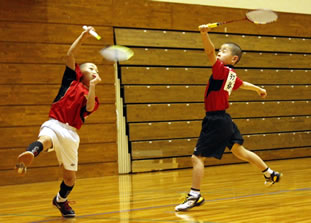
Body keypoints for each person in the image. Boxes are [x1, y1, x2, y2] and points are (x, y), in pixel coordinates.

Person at [175, 24, 282, 212]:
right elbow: (242, 84)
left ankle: (194, 195)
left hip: (216, 120)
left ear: (234, 58)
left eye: (222, 51)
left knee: (197, 158)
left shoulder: (222, 71)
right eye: (219, 50)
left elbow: (208, 52)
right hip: (225, 120)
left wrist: (204, 33)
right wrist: (258, 89)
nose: (218, 53)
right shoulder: (231, 75)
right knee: (240, 152)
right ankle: (269, 173)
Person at [15, 26, 102, 218]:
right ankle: (31, 153)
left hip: (71, 134)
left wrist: (93, 86)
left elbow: (87, 108)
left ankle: (60, 200)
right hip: (55, 123)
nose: (94, 70)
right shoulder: (71, 80)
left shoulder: (92, 98)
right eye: (91, 67)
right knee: (45, 139)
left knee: (70, 178)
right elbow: (70, 55)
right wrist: (83, 36)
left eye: (97, 69)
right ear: (81, 71)